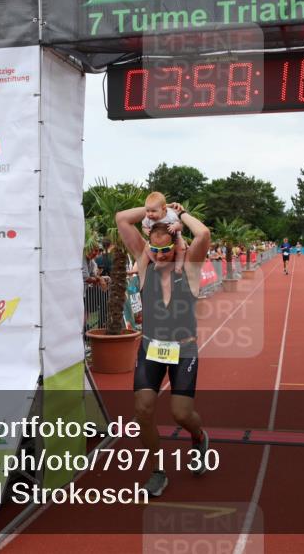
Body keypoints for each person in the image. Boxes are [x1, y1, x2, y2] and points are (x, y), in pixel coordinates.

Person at [116, 200, 212, 498]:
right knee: (142, 409)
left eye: (165, 250)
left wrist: (180, 214)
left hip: (184, 350)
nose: (159, 255)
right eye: (154, 250)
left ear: (175, 244)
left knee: (181, 414)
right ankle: (157, 471)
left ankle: (198, 437)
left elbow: (203, 234)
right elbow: (122, 219)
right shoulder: (146, 267)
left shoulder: (189, 268)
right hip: (151, 348)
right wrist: (155, 208)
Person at [142, 192, 187, 274]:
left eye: (153, 211)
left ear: (163, 209)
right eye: (147, 211)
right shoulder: (147, 219)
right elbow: (144, 227)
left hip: (175, 238)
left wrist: (175, 226)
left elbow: (181, 226)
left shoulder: (171, 215)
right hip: (156, 241)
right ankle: (156, 262)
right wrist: (146, 231)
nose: (150, 214)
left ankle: (178, 266)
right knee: (147, 248)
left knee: (182, 248)